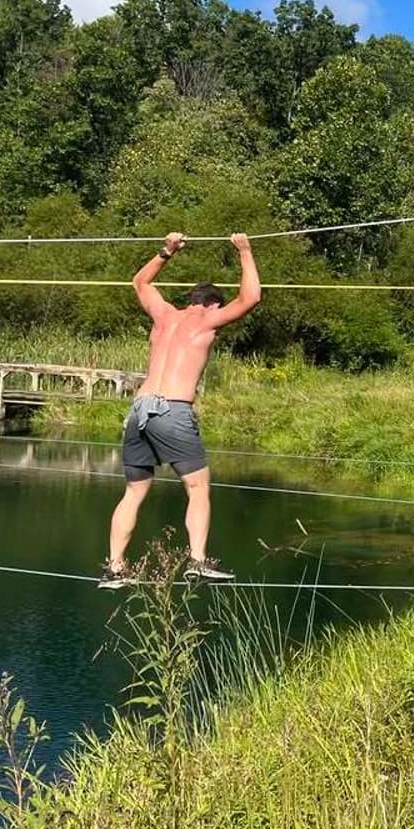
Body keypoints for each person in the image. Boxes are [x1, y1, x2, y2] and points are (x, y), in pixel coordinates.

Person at [100, 232, 262, 589]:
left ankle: (115, 568)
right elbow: (251, 297)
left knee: (134, 492)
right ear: (213, 306)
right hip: (172, 411)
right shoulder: (206, 321)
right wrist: (245, 251)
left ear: (191, 300)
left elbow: (140, 281)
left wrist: (167, 251)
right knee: (198, 486)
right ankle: (198, 561)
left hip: (139, 410)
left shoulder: (164, 315)